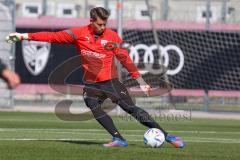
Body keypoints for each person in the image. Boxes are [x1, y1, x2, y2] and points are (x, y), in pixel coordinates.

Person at [6, 7, 184, 148]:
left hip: (111, 81)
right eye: (99, 24)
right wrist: (23, 36)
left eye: (105, 24)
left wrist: (141, 81)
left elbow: (124, 58)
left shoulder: (112, 37)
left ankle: (167, 135)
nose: (103, 27)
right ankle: (118, 139)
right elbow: (53, 37)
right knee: (92, 105)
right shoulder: (78, 34)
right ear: (91, 22)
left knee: (131, 109)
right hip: (91, 83)